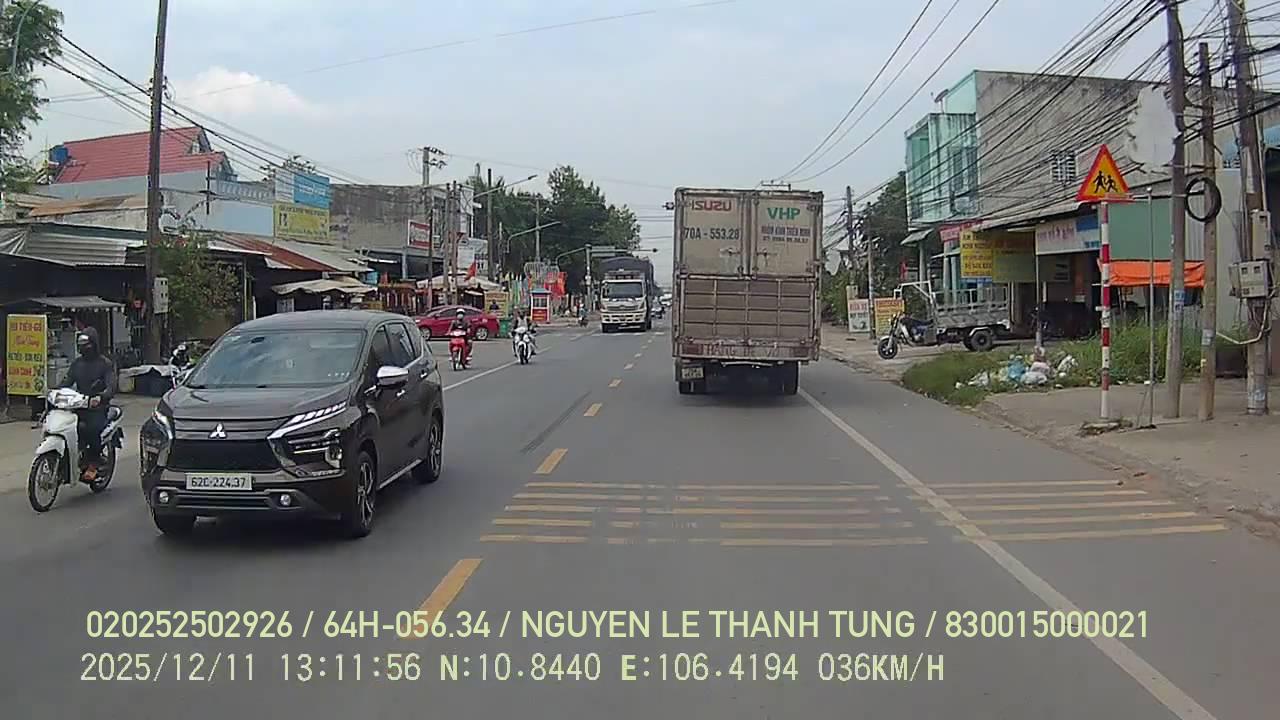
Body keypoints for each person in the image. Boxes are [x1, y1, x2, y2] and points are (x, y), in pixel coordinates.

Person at [59, 327, 115, 475]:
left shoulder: (105, 364)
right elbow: (66, 382)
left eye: (87, 344)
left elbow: (111, 386)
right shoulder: (77, 364)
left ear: (94, 344)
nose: (84, 348)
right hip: (78, 405)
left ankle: (94, 460)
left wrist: (101, 397)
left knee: (92, 429)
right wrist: (54, 393)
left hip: (97, 408)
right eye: (81, 345)